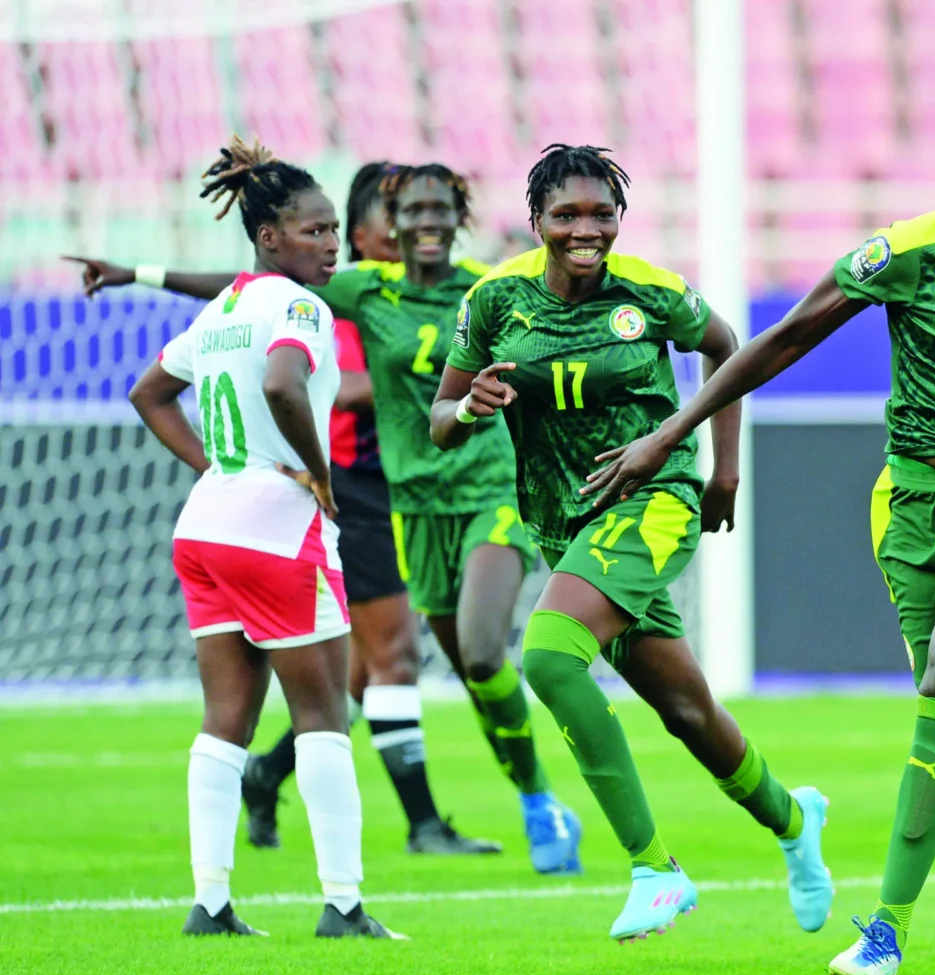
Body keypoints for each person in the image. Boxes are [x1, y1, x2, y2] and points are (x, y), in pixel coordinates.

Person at [583, 81, 935, 975]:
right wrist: (675, 433)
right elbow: (786, 337)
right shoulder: (910, 252)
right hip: (911, 501)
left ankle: (886, 930)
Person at [77, 163, 580, 872]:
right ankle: (287, 789)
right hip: (399, 499)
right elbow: (244, 290)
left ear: (459, 216)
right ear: (392, 226)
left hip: (487, 488)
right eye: (409, 209)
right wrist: (138, 272)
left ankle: (519, 803)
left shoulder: (489, 284)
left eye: (441, 207)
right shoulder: (359, 290)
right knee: (351, 672)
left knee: (461, 649)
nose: (425, 221)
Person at [432, 143, 833, 943]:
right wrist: (471, 407)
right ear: (536, 220)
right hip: (565, 522)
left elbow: (728, 349)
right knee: (685, 707)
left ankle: (655, 868)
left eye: (602, 214)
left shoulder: (652, 294)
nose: (587, 229)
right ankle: (794, 821)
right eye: (568, 215)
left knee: (548, 656)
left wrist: (723, 469)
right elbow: (440, 421)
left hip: (654, 498)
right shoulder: (494, 301)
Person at [126, 136, 398, 938]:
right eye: (314, 231)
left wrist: (217, 464)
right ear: (269, 236)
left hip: (205, 524)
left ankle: (210, 901)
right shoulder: (299, 306)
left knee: (226, 717)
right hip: (279, 529)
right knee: (321, 714)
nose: (330, 244)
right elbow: (285, 381)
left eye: (331, 232)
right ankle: (344, 904)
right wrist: (316, 472)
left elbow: (150, 392)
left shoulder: (223, 309)